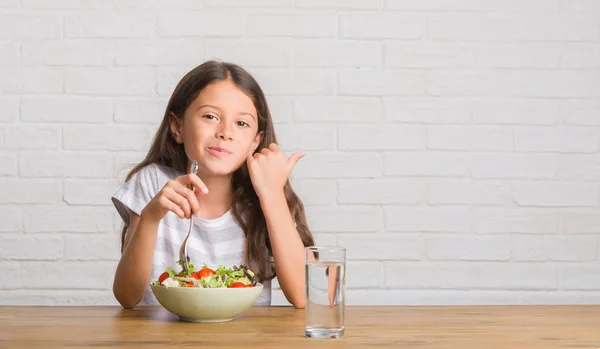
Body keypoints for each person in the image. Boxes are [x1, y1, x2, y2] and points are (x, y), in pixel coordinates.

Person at [111, 60, 315, 309]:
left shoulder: (262, 197)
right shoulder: (153, 183)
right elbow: (126, 296)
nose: (225, 132)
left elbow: (302, 297)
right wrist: (151, 217)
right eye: (210, 116)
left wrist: (272, 194)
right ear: (177, 127)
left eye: (241, 123)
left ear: (255, 141)